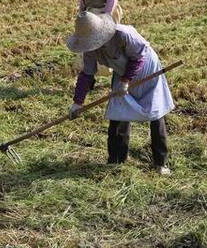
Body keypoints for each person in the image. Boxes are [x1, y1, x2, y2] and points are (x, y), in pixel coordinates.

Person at [66, 11, 174, 175]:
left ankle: (160, 163)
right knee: (117, 113)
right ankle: (116, 161)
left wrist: (125, 81)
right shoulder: (89, 48)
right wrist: (77, 102)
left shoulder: (124, 34)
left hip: (146, 69)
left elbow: (139, 57)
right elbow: (87, 74)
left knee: (155, 112)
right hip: (122, 72)